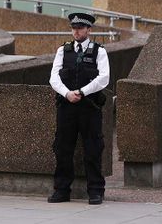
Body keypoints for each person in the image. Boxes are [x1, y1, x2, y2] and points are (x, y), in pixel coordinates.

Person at [48, 13, 110, 205]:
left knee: (93, 148)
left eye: (80, 28)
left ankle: (96, 191)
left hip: (89, 107)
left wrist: (82, 92)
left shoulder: (99, 51)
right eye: (74, 28)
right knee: (62, 148)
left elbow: (104, 78)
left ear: (89, 30)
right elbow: (54, 78)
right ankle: (62, 190)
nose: (76, 31)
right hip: (67, 106)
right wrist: (67, 94)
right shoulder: (63, 50)